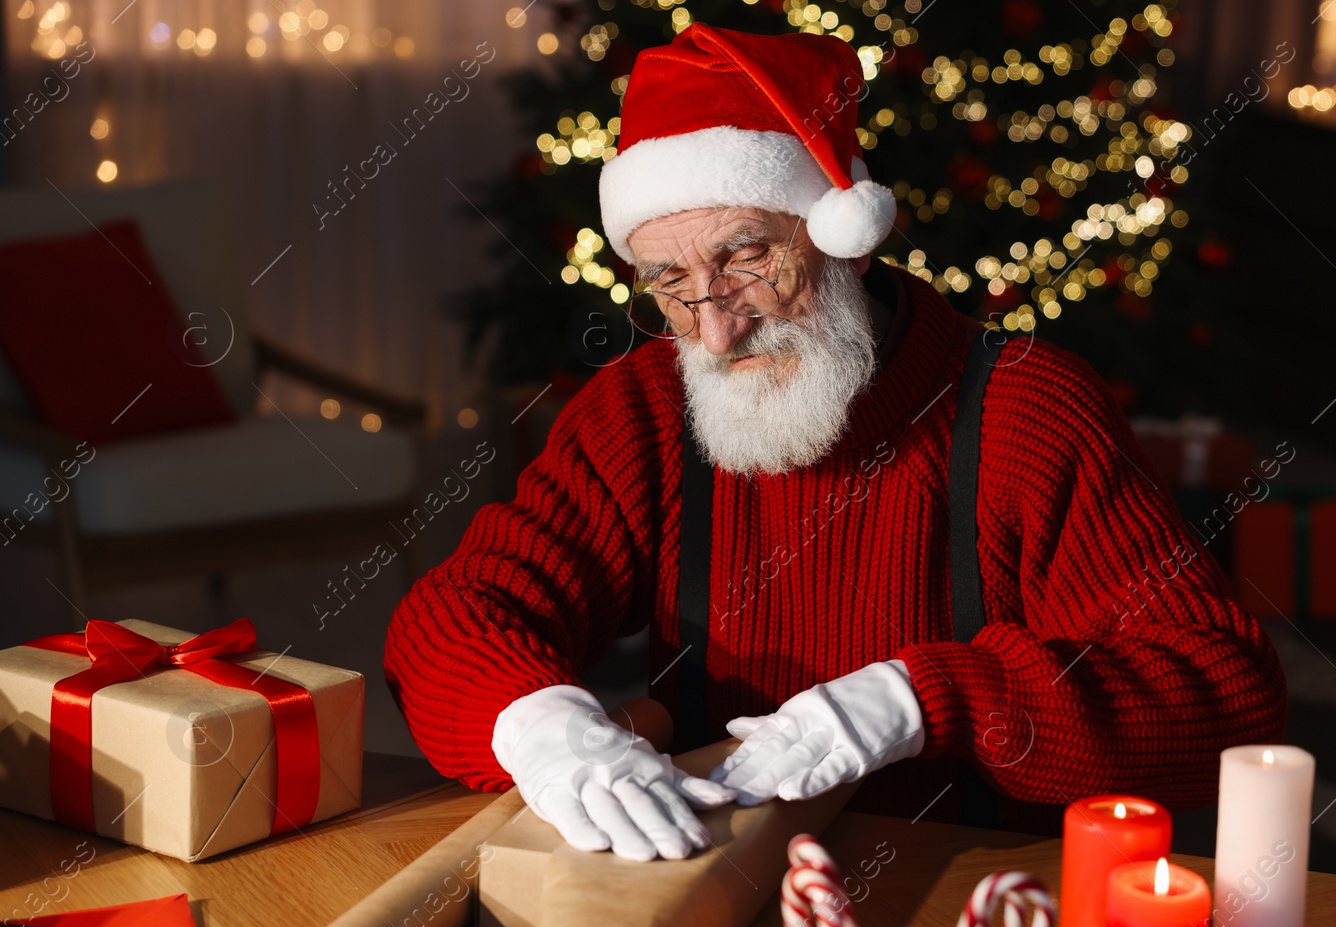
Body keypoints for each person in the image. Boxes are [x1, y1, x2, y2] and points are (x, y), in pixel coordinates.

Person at [384, 24, 1287, 862]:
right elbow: (453, 614)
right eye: (670, 280)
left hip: (968, 904)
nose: (716, 332)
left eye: (746, 258)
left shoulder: (1028, 411)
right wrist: (541, 727)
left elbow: (1224, 698)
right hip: (716, 889)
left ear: (847, 241)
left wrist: (932, 701)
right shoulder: (645, 408)